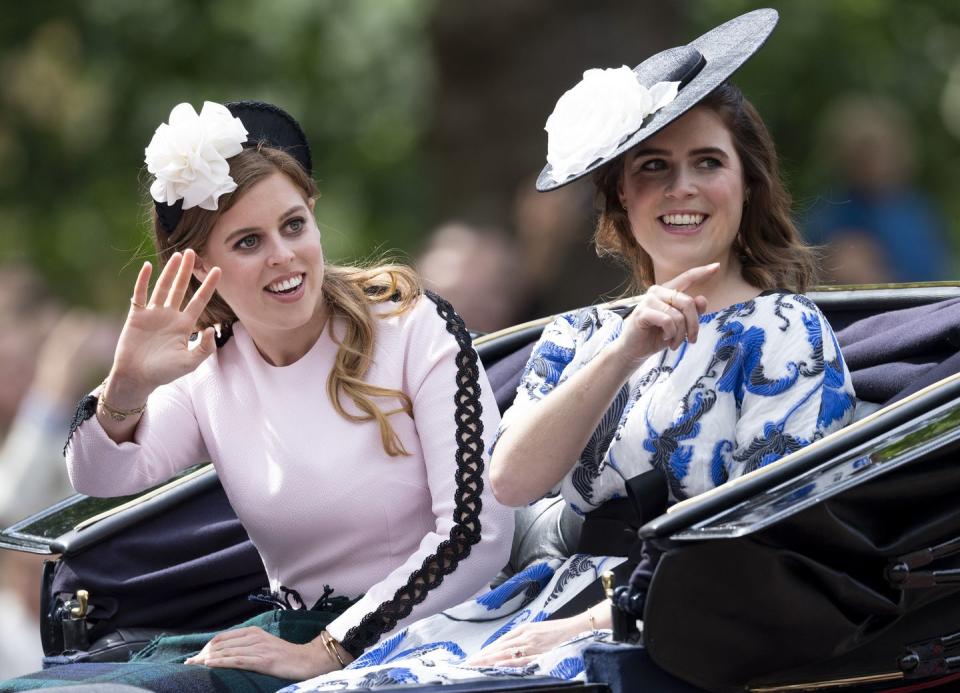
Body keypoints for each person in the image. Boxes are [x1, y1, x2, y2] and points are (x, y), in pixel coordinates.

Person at [282, 9, 857, 690]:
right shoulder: (577, 335)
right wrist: (625, 350)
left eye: (708, 162)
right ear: (621, 194)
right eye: (653, 167)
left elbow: (771, 546)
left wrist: (591, 624)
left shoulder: (785, 331)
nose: (682, 188)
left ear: (748, 183)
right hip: (533, 603)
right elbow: (511, 482)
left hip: (672, 632)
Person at [1, 100, 513, 693]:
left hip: (424, 633)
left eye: (293, 225)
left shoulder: (411, 323)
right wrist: (127, 385)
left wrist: (328, 649)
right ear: (198, 269)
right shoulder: (208, 367)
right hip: (292, 639)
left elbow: (477, 536)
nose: (283, 255)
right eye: (247, 242)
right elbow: (100, 478)